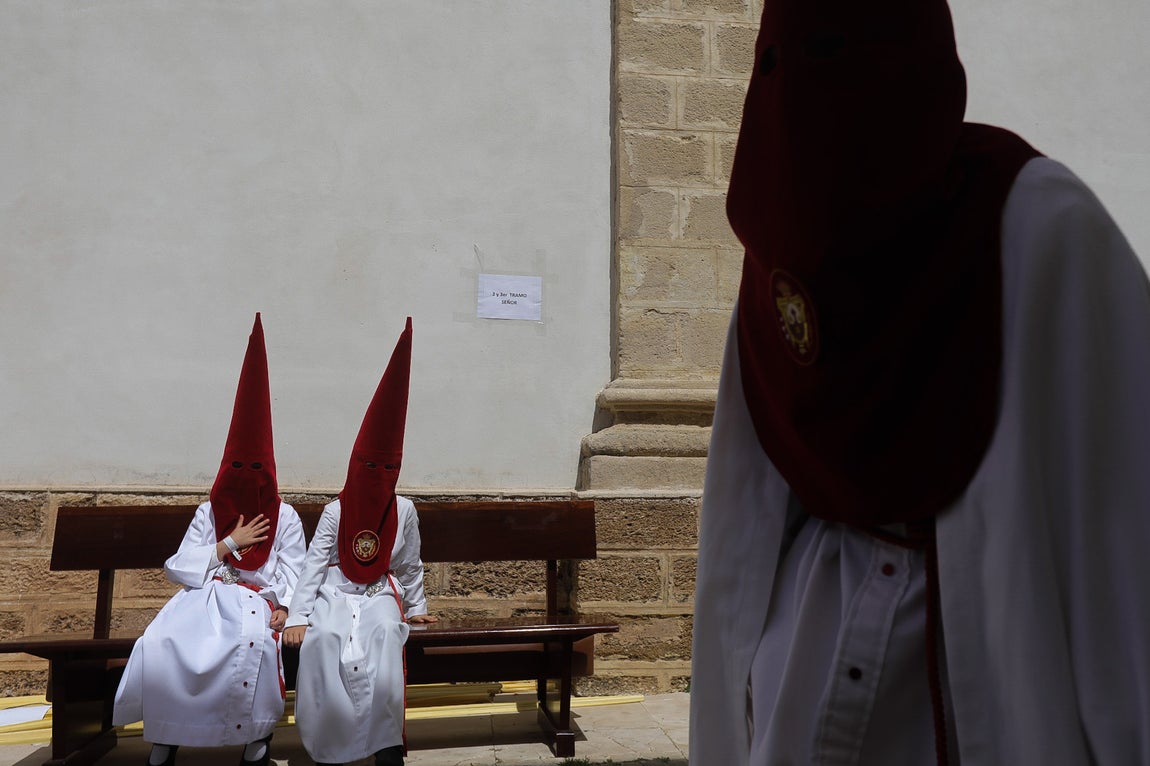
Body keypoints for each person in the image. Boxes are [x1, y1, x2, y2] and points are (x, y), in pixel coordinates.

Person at [689, 1, 1150, 764]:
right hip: (804, 667)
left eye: (836, 48)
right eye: (779, 60)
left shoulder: (1038, 227)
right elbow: (743, 509)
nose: (806, 93)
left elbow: (1121, 527)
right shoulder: (780, 253)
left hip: (999, 655)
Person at [113, 313, 306, 766]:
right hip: (204, 598)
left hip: (257, 601)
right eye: (237, 468)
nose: (246, 478)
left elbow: (295, 568)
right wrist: (228, 543)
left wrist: (285, 606)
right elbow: (177, 567)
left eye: (256, 470)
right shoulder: (208, 512)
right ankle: (167, 738)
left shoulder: (286, 516)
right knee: (165, 642)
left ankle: (254, 739)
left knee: (253, 645)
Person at [283, 317, 437, 766]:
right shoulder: (336, 510)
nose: (378, 478)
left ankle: (384, 743)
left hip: (377, 595)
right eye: (370, 467)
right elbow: (314, 563)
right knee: (325, 640)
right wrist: (298, 615)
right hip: (335, 594)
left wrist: (416, 607)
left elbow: (409, 564)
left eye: (387, 470)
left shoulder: (404, 510)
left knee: (386, 635)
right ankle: (329, 742)